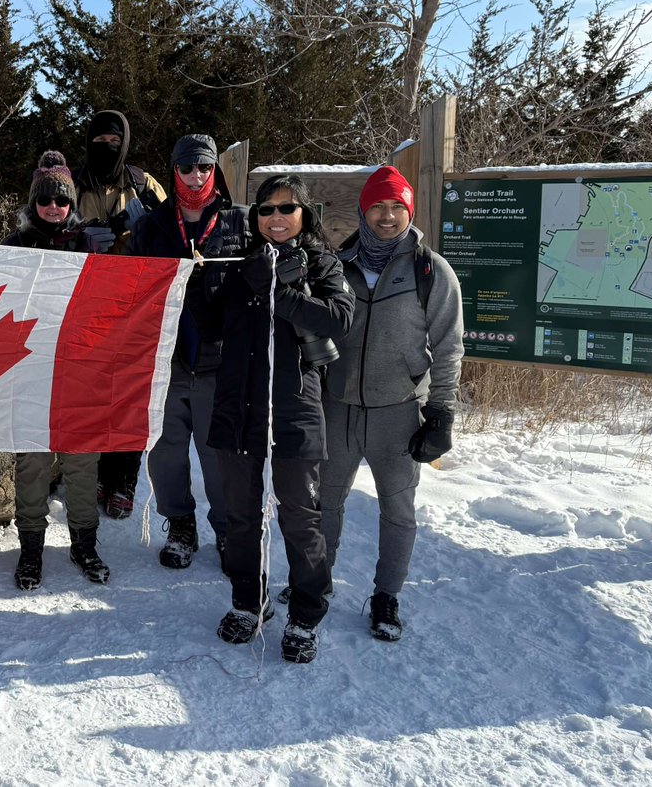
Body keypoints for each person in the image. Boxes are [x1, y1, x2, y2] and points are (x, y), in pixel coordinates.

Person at [195, 174, 354, 664]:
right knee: (240, 516)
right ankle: (249, 600)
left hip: (293, 407)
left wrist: (283, 295)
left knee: (301, 519)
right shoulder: (240, 260)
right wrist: (207, 281)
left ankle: (306, 615)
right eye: (266, 210)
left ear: (305, 213)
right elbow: (209, 324)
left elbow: (339, 319)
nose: (276, 218)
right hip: (238, 405)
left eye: (287, 208)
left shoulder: (321, 261)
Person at [316, 166, 464, 642]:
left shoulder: (430, 270)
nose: (386, 216)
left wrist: (440, 413)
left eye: (397, 206)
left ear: (409, 211)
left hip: (399, 410)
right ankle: (317, 583)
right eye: (378, 206)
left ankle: (386, 596)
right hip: (338, 406)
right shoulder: (338, 263)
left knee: (398, 511)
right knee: (325, 504)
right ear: (363, 209)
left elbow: (448, 346)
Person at [126, 134, 246, 570]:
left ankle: (230, 530)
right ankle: (180, 524)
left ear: (214, 170)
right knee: (166, 452)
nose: (196, 176)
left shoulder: (239, 224)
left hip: (218, 361)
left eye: (204, 167)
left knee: (219, 457)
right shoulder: (149, 227)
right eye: (186, 167)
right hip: (166, 363)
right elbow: (127, 295)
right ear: (173, 170)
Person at [3, 151, 115, 590]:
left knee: (82, 462)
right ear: (34, 202)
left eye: (62, 201)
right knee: (31, 462)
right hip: (29, 366)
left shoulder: (91, 240)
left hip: (80, 367)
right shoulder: (13, 245)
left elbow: (116, 300)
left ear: (72, 203)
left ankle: (84, 542)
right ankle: (31, 545)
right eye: (46, 200)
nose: (53, 207)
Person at [72, 109, 166, 520]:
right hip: (84, 303)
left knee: (128, 395)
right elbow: (40, 224)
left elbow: (174, 231)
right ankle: (91, 471)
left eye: (114, 142)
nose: (106, 148)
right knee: (90, 392)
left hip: (134, 303)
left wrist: (142, 227)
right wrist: (79, 236)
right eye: (99, 141)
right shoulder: (70, 183)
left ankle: (122, 480)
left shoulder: (144, 183)